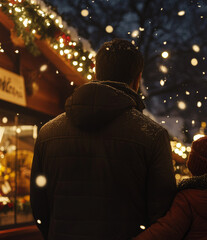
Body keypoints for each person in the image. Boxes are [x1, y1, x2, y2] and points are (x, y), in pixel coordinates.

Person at [30, 39, 177, 240]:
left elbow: (40, 209)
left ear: (96, 74)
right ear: (137, 80)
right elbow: (161, 214)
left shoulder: (48, 133)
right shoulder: (152, 135)